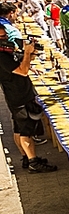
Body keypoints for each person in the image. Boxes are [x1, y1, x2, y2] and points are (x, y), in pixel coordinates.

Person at [0, 24, 56, 172]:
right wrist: (26, 54)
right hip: (18, 95)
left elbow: (19, 65)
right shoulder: (0, 56)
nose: (6, 39)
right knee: (27, 130)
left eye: (5, 35)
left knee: (19, 128)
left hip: (17, 94)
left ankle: (26, 157)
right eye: (2, 37)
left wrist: (30, 55)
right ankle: (33, 162)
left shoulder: (4, 52)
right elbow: (22, 71)